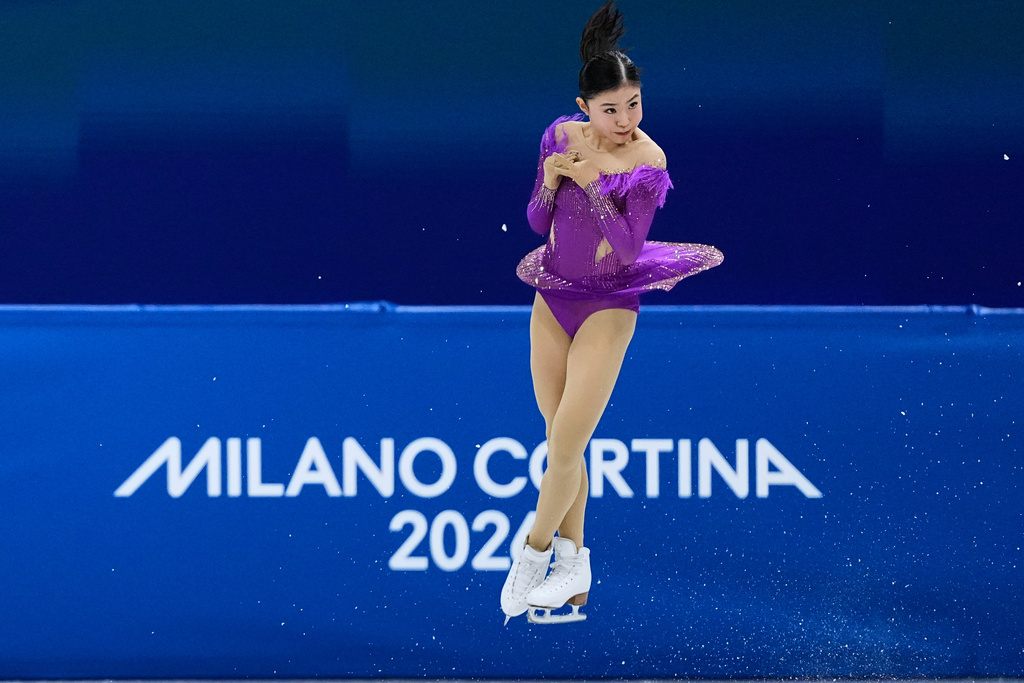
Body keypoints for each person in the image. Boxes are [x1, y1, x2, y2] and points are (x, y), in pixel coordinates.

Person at [500, 1, 724, 625]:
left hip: (609, 303)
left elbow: (627, 247)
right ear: (583, 109)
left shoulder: (648, 162)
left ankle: (532, 554)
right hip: (552, 298)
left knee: (566, 445)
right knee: (561, 441)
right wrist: (550, 178)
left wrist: (596, 184)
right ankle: (575, 567)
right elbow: (537, 222)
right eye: (611, 109)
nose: (626, 119)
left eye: (634, 104)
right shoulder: (559, 136)